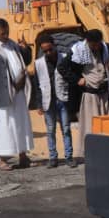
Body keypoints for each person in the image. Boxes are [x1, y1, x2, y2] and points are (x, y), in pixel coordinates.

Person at [0, 18, 33, 170]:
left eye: (7, 32)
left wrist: (25, 49)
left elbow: (26, 61)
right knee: (4, 126)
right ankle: (2, 160)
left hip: (19, 92)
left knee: (21, 123)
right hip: (1, 95)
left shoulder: (14, 45)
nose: (6, 35)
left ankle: (23, 156)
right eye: (3, 33)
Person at [34, 33, 78, 168]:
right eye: (45, 50)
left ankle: (69, 157)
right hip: (48, 101)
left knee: (65, 128)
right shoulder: (38, 63)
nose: (48, 52)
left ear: (54, 45)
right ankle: (53, 158)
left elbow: (72, 80)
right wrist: (39, 104)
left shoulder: (65, 59)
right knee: (50, 130)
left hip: (62, 99)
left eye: (50, 49)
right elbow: (37, 85)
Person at [71, 29, 109, 156]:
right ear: (88, 42)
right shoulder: (78, 51)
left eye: (97, 44)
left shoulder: (107, 49)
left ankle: (106, 151)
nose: (95, 47)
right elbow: (64, 68)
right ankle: (91, 152)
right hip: (90, 97)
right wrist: (77, 79)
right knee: (90, 125)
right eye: (93, 45)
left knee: (106, 124)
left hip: (105, 95)